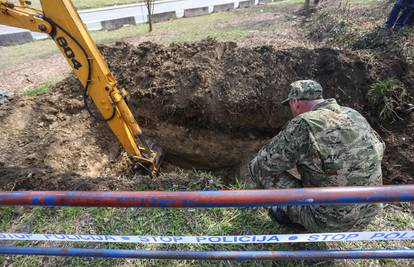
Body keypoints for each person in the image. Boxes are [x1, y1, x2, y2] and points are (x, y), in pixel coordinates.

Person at [248, 80, 385, 232]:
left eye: (290, 106)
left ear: (295, 102)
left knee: (258, 169)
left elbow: (263, 165)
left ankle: (292, 216)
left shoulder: (304, 123)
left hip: (330, 222)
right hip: (368, 213)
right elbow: (380, 148)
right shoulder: (353, 114)